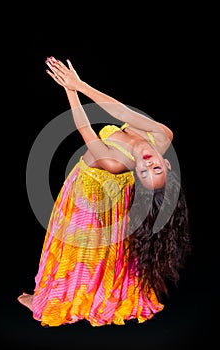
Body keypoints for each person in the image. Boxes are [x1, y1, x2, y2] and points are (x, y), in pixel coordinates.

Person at [18, 56, 191, 327]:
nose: (148, 165)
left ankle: (53, 298)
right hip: (112, 189)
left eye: (143, 174)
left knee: (80, 254)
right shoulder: (162, 136)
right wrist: (82, 83)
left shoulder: (113, 162)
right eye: (156, 169)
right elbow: (122, 112)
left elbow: (84, 128)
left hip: (88, 193)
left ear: (136, 176)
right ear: (168, 163)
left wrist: (71, 90)